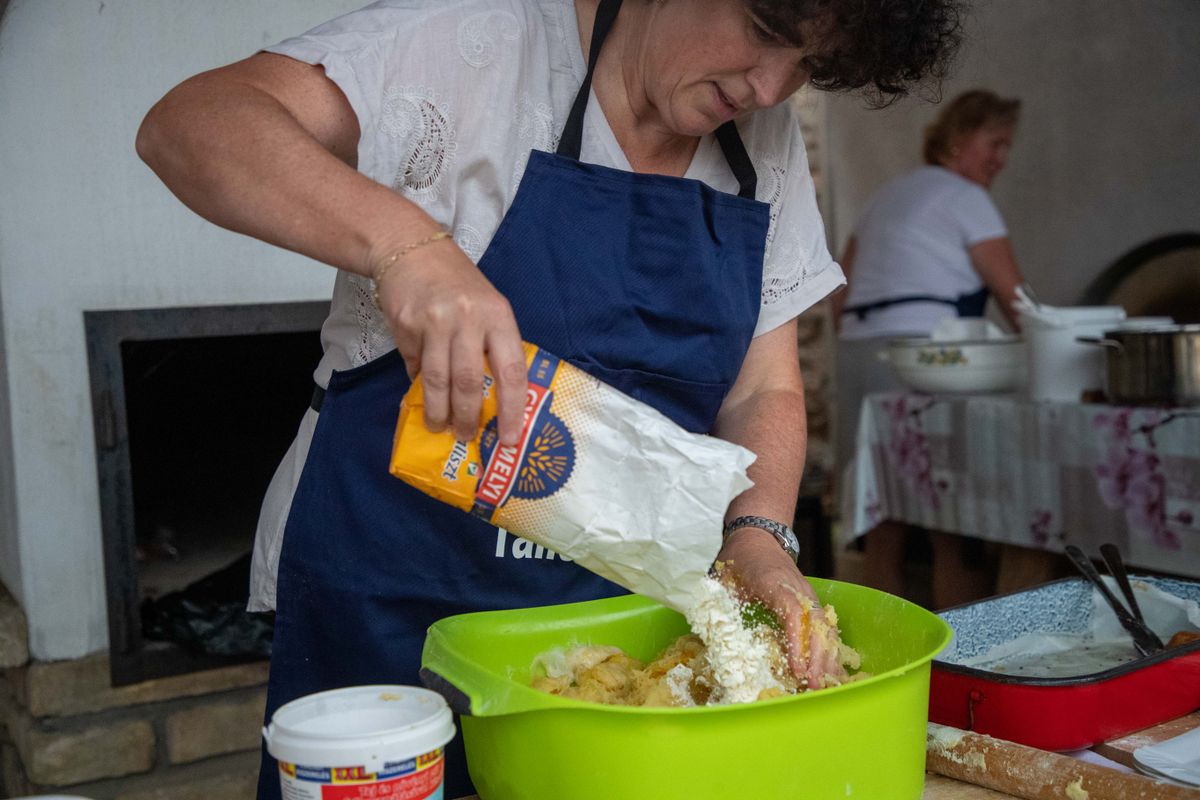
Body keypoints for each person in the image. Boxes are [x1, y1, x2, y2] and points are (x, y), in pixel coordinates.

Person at [136, 1, 962, 795]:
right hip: (395, 605)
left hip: (617, 641)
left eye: (808, 64)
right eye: (766, 30)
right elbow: (191, 125)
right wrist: (405, 248)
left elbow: (766, 385)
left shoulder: (763, 147)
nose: (772, 88)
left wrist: (758, 534)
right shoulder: (477, 45)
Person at [832, 89, 1025, 609]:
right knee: (951, 522)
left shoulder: (885, 197)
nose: (1001, 159)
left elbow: (840, 292)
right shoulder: (968, 198)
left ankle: (881, 657)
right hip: (924, 362)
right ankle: (964, 664)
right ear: (959, 138)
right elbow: (1017, 301)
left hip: (859, 356)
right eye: (995, 143)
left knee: (883, 518)